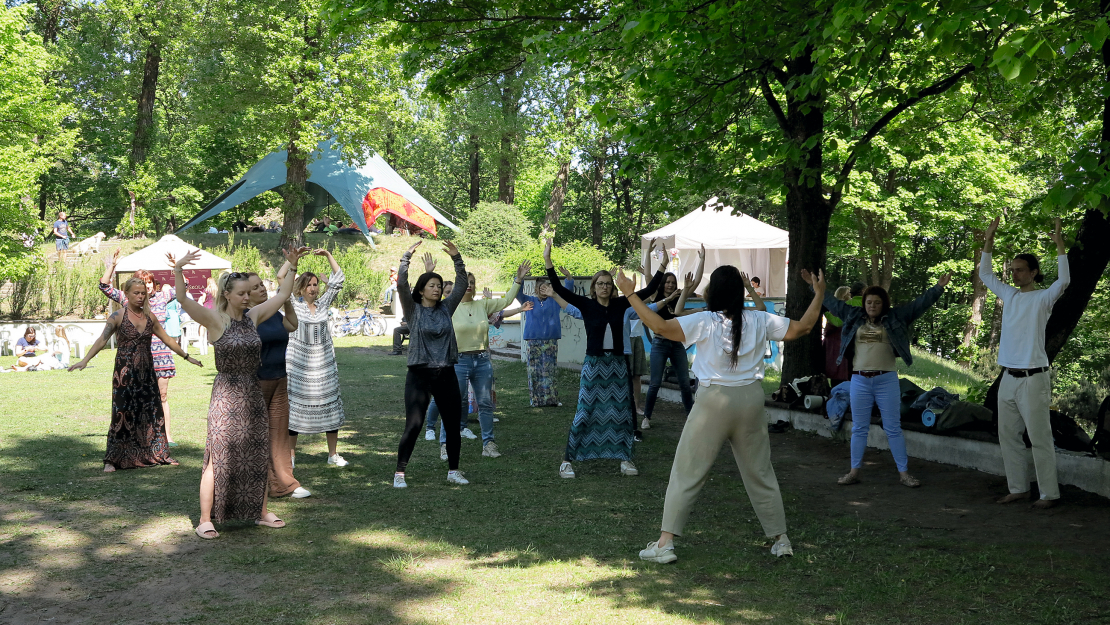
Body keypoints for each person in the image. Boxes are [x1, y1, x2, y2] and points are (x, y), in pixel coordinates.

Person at [623, 265, 826, 564]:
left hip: (713, 401)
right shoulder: (759, 318)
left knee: (687, 471)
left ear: (712, 292)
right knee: (760, 471)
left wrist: (629, 293)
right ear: (740, 292)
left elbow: (660, 327)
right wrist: (819, 293)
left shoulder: (704, 320)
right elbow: (805, 327)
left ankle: (665, 543)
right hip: (751, 401)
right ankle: (781, 539)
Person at [172, 246, 303, 539]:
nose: (247, 297)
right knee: (217, 457)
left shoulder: (253, 317)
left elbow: (282, 295)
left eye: (249, 293)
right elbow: (181, 298)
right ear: (227, 294)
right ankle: (205, 519)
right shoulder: (214, 319)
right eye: (241, 293)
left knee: (257, 454)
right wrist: (179, 270)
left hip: (252, 393)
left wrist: (291, 265)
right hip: (226, 396)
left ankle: (261, 512)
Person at [545, 238, 665, 479]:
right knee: (584, 410)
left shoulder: (622, 304)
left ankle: (625, 458)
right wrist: (547, 260)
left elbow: (649, 291)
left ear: (613, 287)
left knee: (622, 412)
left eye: (608, 284)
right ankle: (567, 460)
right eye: (600, 284)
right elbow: (558, 288)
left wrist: (663, 265)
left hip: (618, 365)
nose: (604, 287)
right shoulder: (587, 305)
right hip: (594, 365)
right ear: (593, 286)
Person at [824, 273, 951, 488]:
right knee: (859, 428)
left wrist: (938, 287)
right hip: (860, 380)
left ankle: (904, 474)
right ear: (863, 303)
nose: (872, 306)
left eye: (877, 302)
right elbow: (831, 303)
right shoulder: (854, 316)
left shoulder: (896, 317)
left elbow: (920, 304)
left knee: (893, 428)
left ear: (884, 304)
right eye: (869, 302)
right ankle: (854, 471)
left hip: (886, 380)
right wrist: (815, 288)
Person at [981, 216, 1070, 509]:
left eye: (1020, 270)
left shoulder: (1043, 299)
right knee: (1008, 436)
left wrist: (1060, 247)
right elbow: (986, 276)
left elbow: (1065, 281)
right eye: (1013, 270)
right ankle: (1018, 488)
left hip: (1034, 378)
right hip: (1009, 376)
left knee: (1040, 437)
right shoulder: (1010, 295)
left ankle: (1049, 494)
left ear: (1033, 273)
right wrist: (989, 241)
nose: (1014, 274)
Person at [68, 276, 201, 472]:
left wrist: (186, 356)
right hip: (124, 371)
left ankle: (158, 453)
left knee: (152, 413)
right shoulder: (117, 316)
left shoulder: (150, 317)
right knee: (121, 414)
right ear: (127, 294)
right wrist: (85, 360)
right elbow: (101, 340)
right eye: (136, 293)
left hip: (147, 371)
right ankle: (112, 460)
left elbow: (168, 340)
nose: (140, 296)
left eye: (143, 293)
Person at [394, 240, 470, 488]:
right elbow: (402, 284)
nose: (437, 289)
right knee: (414, 425)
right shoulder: (413, 310)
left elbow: (461, 284)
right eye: (432, 286)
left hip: (446, 372)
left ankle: (454, 471)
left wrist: (457, 257)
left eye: (439, 286)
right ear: (422, 290)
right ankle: (400, 474)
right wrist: (406, 257)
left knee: (452, 424)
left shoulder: (446, 308)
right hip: (419, 374)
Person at [444, 257, 529, 459]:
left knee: (485, 404)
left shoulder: (483, 305)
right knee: (455, 403)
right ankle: (445, 444)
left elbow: (507, 300)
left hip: (482, 360)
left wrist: (518, 280)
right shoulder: (449, 306)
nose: (469, 285)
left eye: (472, 282)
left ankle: (488, 444)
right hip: (459, 361)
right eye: (465, 282)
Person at [101, 249, 180, 447]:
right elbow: (104, 286)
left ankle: (166, 435)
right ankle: (138, 436)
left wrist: (177, 268)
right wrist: (112, 266)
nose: (146, 287)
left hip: (160, 356)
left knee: (161, 397)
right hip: (136, 360)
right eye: (142, 283)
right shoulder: (127, 299)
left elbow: (183, 288)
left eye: (149, 282)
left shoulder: (162, 297)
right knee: (135, 399)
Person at [246, 271, 312, 499]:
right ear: (245, 294)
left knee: (279, 434)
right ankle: (252, 484)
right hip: (257, 381)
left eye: (261, 285)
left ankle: (284, 483)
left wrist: (286, 302)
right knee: (254, 434)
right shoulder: (247, 316)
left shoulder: (272, 313)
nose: (262, 289)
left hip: (279, 379)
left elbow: (292, 325)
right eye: (255, 288)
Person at [282, 249, 349, 468]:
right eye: (309, 285)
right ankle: (291, 457)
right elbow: (281, 279)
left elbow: (338, 280)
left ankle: (332, 455)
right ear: (301, 288)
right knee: (295, 411)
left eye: (315, 284)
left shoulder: (323, 305)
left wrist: (329, 255)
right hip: (299, 366)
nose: (313, 288)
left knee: (329, 406)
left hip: (324, 365)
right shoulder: (293, 304)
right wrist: (293, 261)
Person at [642, 247, 706, 431]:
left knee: (685, 383)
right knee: (655, 383)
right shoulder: (656, 296)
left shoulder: (680, 294)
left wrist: (701, 259)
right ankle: (646, 417)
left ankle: (690, 416)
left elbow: (697, 281)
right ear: (663, 283)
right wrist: (647, 253)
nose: (670, 285)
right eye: (667, 282)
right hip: (660, 343)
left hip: (676, 343)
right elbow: (647, 276)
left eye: (672, 282)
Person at [519, 276, 568, 407]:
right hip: (533, 341)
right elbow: (517, 293)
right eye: (541, 287)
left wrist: (569, 278)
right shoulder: (529, 300)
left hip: (550, 341)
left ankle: (551, 399)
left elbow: (567, 294)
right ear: (535, 289)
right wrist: (519, 278)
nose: (543, 289)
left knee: (549, 370)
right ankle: (536, 400)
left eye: (546, 287)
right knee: (534, 371)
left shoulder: (555, 301)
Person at [822, 286, 857, 387]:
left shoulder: (831, 308)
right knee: (842, 370)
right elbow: (838, 323)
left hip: (832, 342)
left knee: (835, 370)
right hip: (839, 341)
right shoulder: (845, 308)